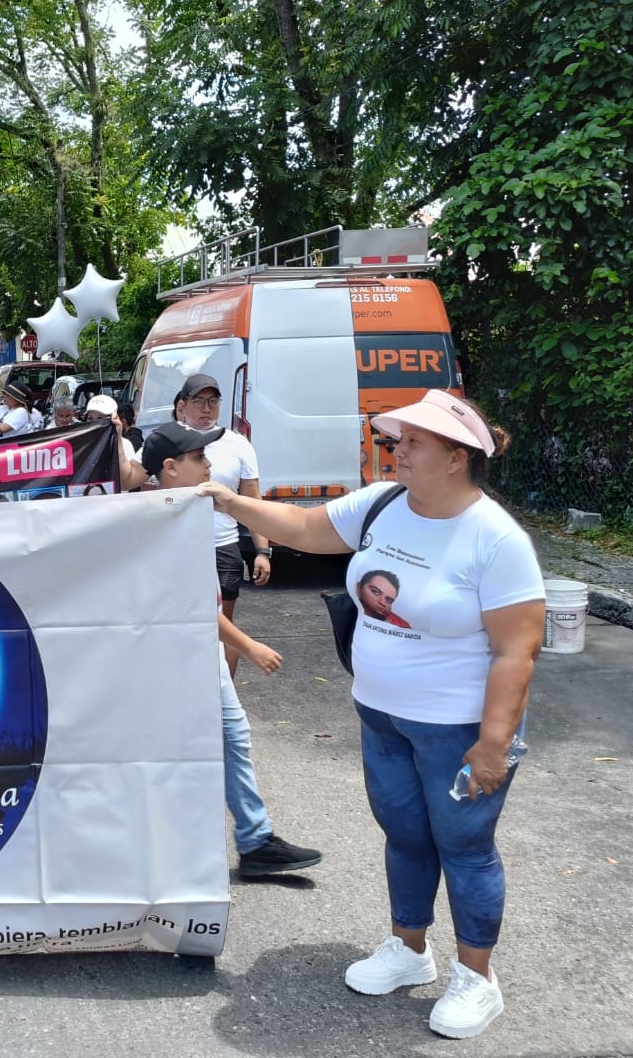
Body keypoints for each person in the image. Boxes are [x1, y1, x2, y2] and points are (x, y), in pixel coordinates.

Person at [199, 390, 544, 1039]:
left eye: (414, 441)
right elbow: (303, 527)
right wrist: (227, 501)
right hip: (383, 716)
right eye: (400, 437)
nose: (397, 448)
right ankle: (409, 949)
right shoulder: (384, 504)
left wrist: (494, 743)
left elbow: (516, 649)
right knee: (406, 834)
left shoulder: (495, 539)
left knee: (464, 847)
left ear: (456, 457)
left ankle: (477, 978)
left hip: (460, 728)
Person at [145, 421, 323, 879]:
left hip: (196, 651)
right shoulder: (161, 520)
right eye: (199, 458)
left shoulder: (182, 512)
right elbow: (190, 605)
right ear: (170, 468)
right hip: (184, 653)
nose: (209, 465)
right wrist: (247, 645)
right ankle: (222, 845)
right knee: (201, 747)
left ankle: (254, 839)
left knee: (230, 740)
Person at [172, 375, 273, 668]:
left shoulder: (237, 444)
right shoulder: (166, 440)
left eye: (213, 401)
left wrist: (262, 552)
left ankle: (224, 703)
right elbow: (133, 479)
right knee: (179, 626)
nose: (207, 408)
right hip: (178, 548)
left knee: (225, 628)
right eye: (198, 401)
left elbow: (252, 500)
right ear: (182, 406)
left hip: (223, 547)